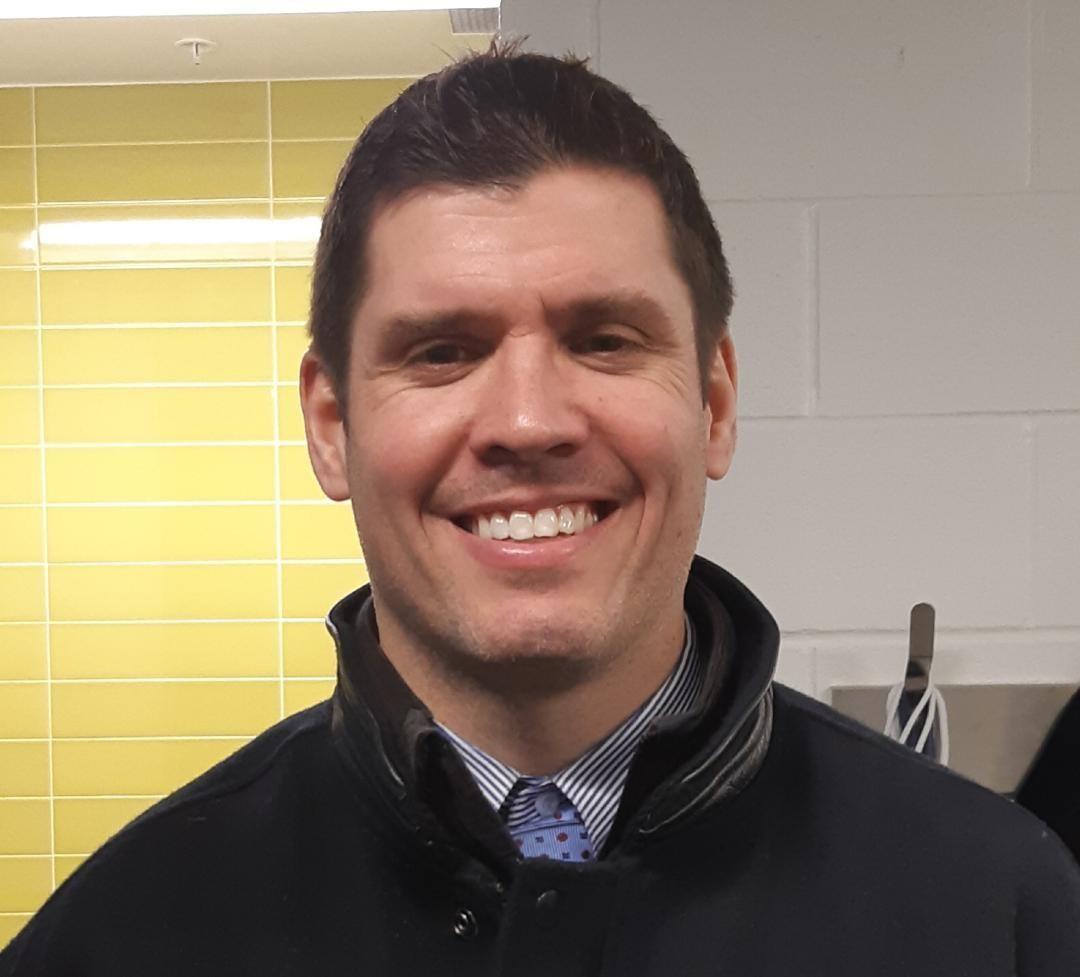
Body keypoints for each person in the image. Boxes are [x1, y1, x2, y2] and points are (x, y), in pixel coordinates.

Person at [2, 41, 1078, 976]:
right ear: (331, 426)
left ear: (713, 404)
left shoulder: (999, 910)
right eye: (442, 351)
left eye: (604, 339)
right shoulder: (122, 935)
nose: (527, 420)